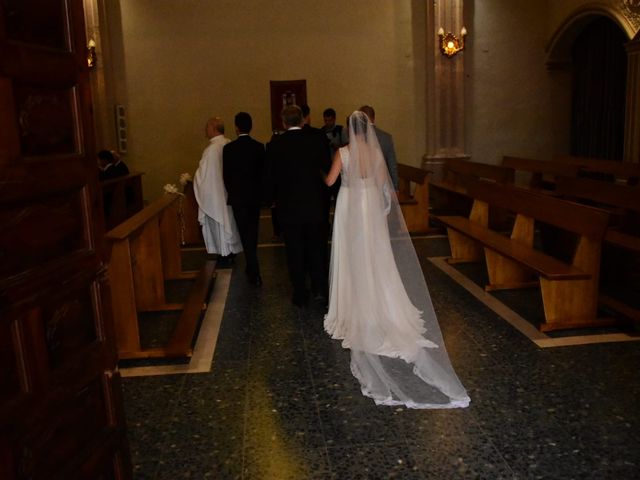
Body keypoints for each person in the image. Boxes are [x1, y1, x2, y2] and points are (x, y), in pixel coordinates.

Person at [322, 111, 470, 409]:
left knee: (351, 259)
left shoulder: (343, 152)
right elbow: (384, 187)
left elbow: (329, 182)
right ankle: (384, 305)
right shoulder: (375, 153)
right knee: (376, 258)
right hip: (369, 209)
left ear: (350, 131)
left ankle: (354, 307)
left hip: (350, 208)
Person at [267, 105, 330, 307]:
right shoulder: (317, 140)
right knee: (316, 248)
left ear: (284, 123)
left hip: (289, 207)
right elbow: (326, 169)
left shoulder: (275, 145)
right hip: (314, 204)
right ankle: (319, 289)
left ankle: (300, 293)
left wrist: (272, 199)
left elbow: (271, 177)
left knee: (294, 251)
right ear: (303, 120)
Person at [223, 112, 265, 286]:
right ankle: (251, 264)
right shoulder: (258, 147)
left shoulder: (229, 148)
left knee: (244, 231)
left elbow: (226, 175)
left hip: (238, 197)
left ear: (236, 127)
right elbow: (263, 174)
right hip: (254, 197)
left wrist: (232, 192)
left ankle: (253, 268)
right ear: (251, 126)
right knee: (252, 231)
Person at [193, 117, 242, 266]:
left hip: (215, 195)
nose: (205, 130)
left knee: (219, 223)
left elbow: (203, 175)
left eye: (207, 127)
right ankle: (231, 251)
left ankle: (223, 253)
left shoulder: (211, 150)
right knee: (230, 222)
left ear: (214, 129)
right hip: (228, 193)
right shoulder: (228, 143)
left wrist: (194, 180)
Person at [358, 105, 399, 191]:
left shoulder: (356, 138)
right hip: (383, 184)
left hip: (363, 185)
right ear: (373, 118)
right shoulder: (386, 137)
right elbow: (392, 165)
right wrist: (395, 187)